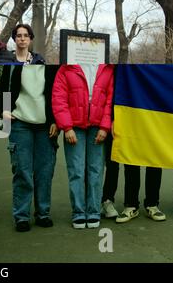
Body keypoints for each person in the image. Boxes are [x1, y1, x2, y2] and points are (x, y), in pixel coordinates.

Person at [0, 62, 59, 232]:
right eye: (20, 35)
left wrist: (56, 120)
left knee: (45, 171)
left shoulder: (52, 66)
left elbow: (58, 93)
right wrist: (2, 110)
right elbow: (2, 87)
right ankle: (21, 216)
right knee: (22, 170)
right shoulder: (12, 65)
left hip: (46, 125)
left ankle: (43, 214)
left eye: (27, 35)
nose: (23, 39)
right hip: (19, 123)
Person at [52, 63, 114, 229]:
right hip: (74, 126)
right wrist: (67, 127)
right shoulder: (66, 68)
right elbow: (59, 98)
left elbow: (110, 100)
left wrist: (104, 127)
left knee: (96, 170)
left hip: (98, 125)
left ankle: (93, 211)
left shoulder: (108, 68)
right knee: (76, 171)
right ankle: (79, 212)